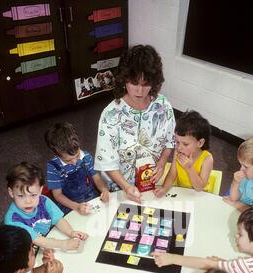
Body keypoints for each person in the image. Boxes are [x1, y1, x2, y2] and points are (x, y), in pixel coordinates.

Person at [94, 44, 175, 203]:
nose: (139, 91)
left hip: (152, 182)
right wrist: (126, 187)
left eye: (145, 84)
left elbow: (170, 141)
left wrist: (163, 160)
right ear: (124, 80)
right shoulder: (110, 115)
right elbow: (106, 162)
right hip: (119, 187)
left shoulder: (163, 106)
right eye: (134, 83)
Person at [4, 162, 88, 251]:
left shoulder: (44, 201)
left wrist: (70, 232)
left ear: (40, 190)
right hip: (28, 251)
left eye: (33, 195)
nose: (28, 201)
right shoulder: (13, 220)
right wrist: (64, 244)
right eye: (21, 196)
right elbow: (38, 240)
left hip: (48, 242)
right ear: (11, 193)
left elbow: (58, 219)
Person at [45, 122, 109, 215]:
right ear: (56, 153)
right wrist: (76, 207)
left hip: (91, 197)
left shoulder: (86, 156)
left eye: (77, 155)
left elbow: (97, 178)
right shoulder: (53, 167)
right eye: (68, 160)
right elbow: (58, 195)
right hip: (70, 205)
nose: (75, 162)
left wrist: (104, 190)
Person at [154, 110, 213, 197]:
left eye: (185, 144)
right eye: (177, 142)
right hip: (181, 192)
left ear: (200, 143)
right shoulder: (178, 152)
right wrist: (164, 188)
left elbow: (199, 188)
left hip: (200, 195)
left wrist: (189, 168)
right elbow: (172, 174)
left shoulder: (207, 159)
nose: (179, 147)